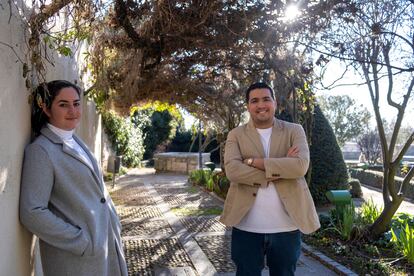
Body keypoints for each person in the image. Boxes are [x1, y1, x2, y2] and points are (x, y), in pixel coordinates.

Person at [20, 80, 128, 276]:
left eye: (76, 104)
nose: (73, 111)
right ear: (46, 108)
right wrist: (82, 241)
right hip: (76, 259)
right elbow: (32, 212)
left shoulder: (74, 140)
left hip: (105, 245)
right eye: (63, 105)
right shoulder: (41, 151)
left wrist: (114, 221)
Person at [220, 82, 320, 276]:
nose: (261, 105)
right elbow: (232, 171)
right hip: (246, 225)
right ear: (248, 106)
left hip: (287, 227)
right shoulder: (236, 135)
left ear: (275, 103)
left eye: (266, 99)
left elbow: (300, 166)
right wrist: (282, 168)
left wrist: (252, 162)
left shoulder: (294, 130)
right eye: (254, 100)